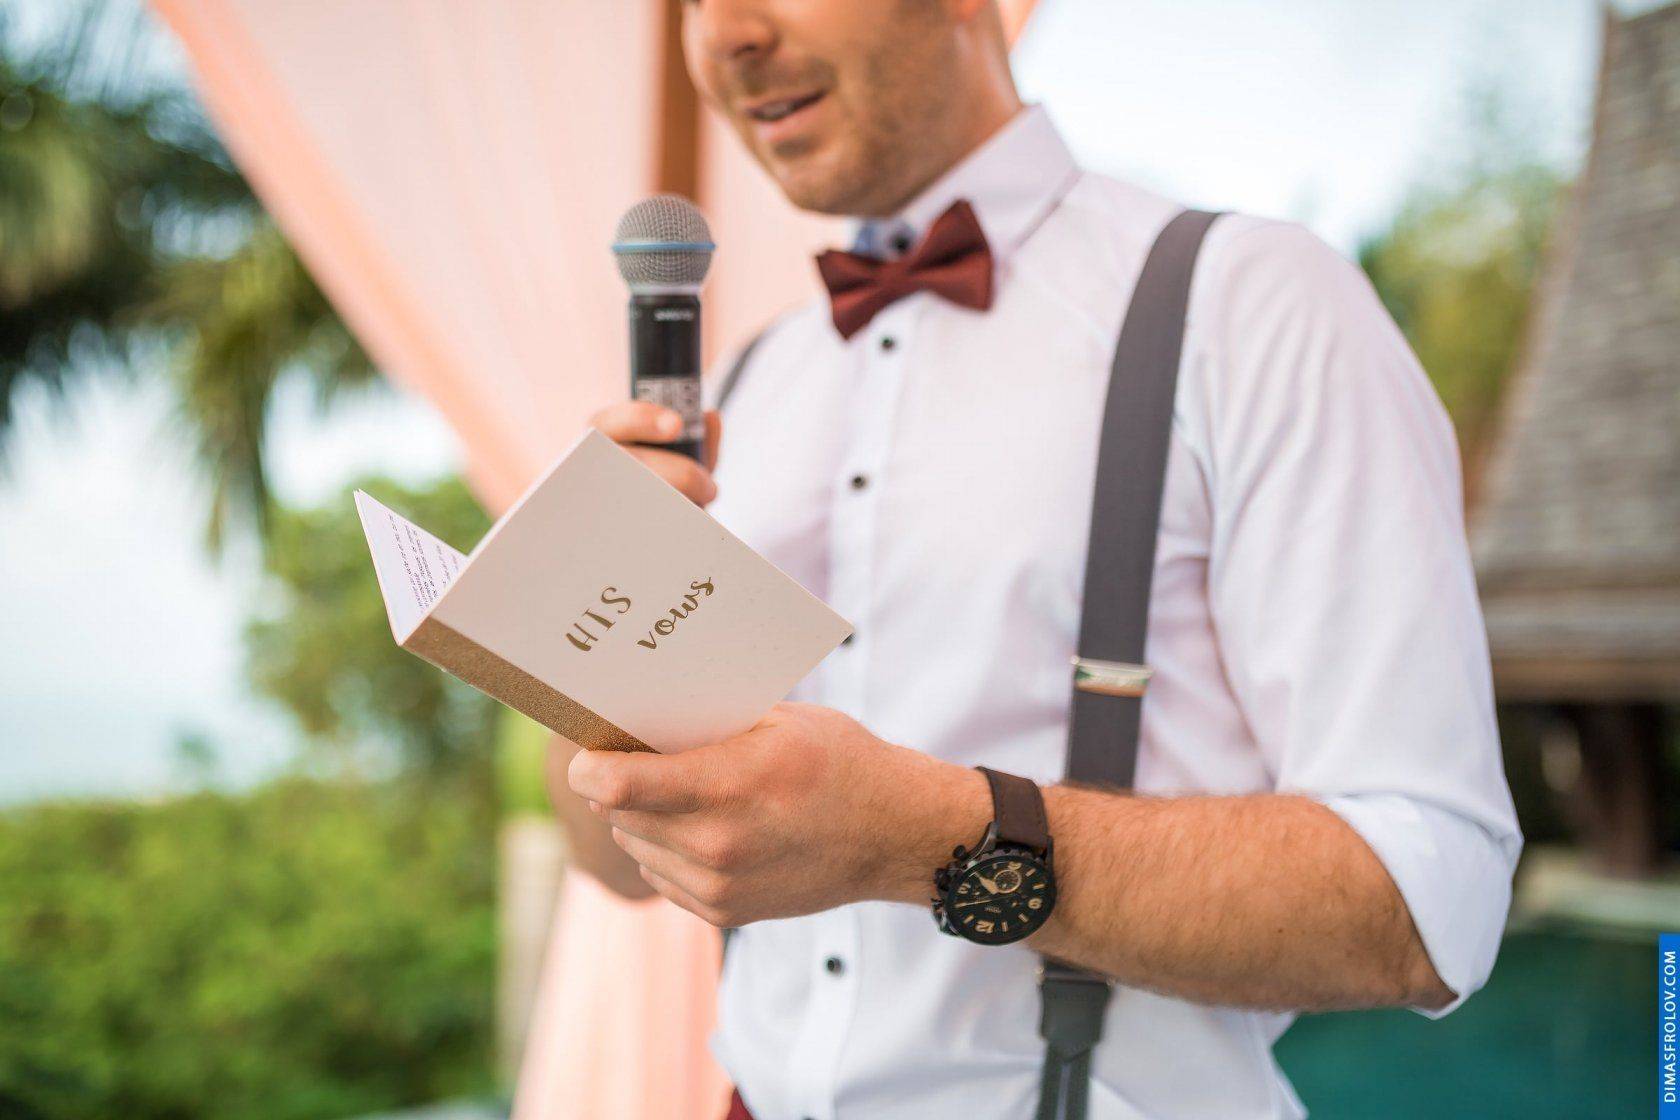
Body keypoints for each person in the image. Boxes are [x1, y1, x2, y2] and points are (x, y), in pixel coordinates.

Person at [554, 2, 1522, 1117]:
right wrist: (587, 634)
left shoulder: (1252, 303)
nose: (727, 34)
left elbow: (1428, 901)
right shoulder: (746, 381)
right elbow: (607, 858)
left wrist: (914, 835)